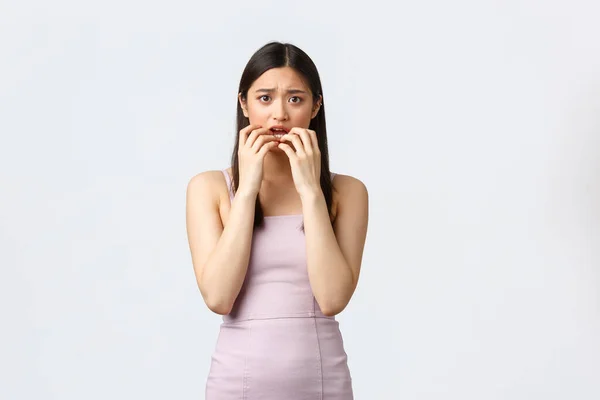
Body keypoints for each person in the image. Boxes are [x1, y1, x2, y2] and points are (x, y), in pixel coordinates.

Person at [185, 41, 369, 399]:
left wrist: (311, 192)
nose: (279, 115)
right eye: (265, 98)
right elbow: (219, 297)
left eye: (295, 99)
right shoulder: (209, 188)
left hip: (323, 382)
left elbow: (332, 299)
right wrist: (247, 189)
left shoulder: (348, 193)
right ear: (244, 103)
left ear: (316, 106)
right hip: (235, 383)